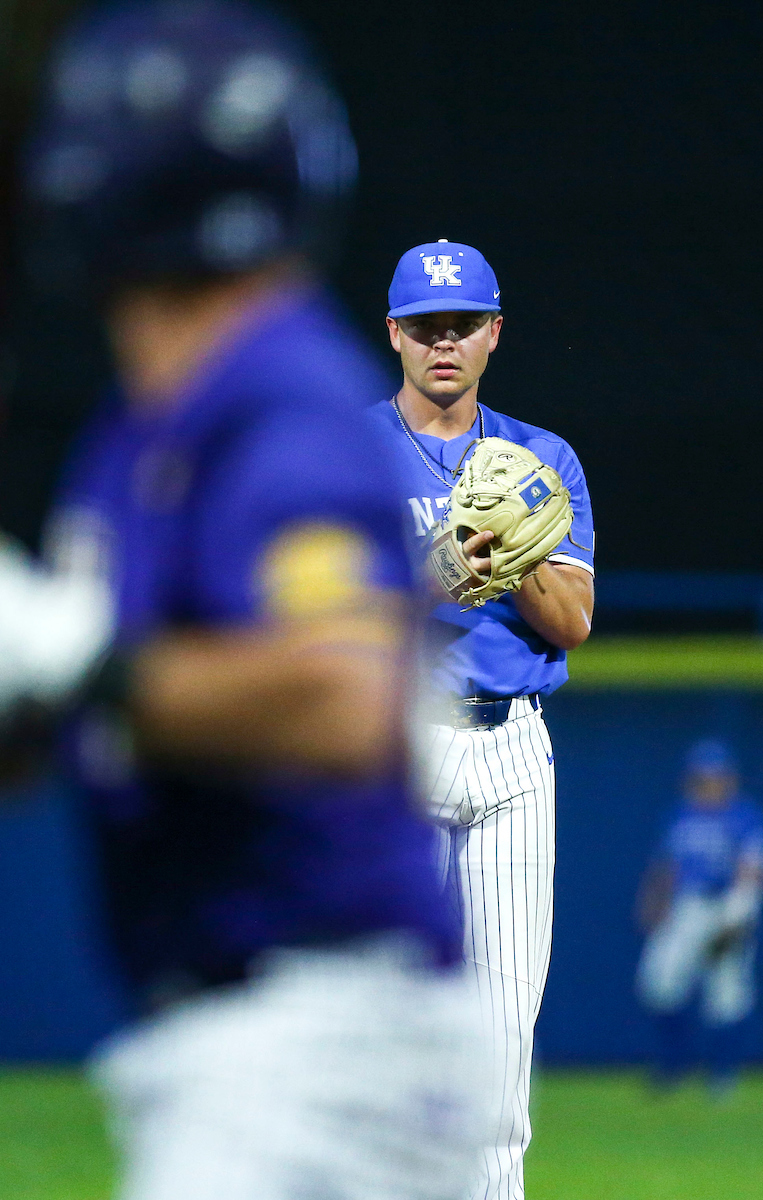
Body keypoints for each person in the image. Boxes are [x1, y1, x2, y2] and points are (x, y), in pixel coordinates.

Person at [5, 6, 488, 1198]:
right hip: (241, 1037)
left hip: (321, 1031)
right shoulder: (142, 429)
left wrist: (69, 656)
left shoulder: (273, 394)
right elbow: (73, 721)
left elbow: (340, 699)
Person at [369, 241, 595, 1200]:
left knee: (502, 1042)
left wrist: (515, 550)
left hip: (512, 749)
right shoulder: (349, 449)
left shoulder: (542, 458)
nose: (443, 342)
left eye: (461, 325)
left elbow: (574, 624)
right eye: (425, 326)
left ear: (495, 333)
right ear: (395, 336)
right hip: (396, 744)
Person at [636, 738, 763, 1097]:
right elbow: (665, 865)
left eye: (715, 777)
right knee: (659, 983)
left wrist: (740, 912)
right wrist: (653, 902)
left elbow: (756, 867)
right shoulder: (681, 814)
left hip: (726, 905)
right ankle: (675, 1063)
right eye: (702, 777)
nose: (708, 784)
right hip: (687, 906)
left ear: (729, 779)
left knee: (727, 993)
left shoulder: (744, 815)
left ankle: (722, 1074)